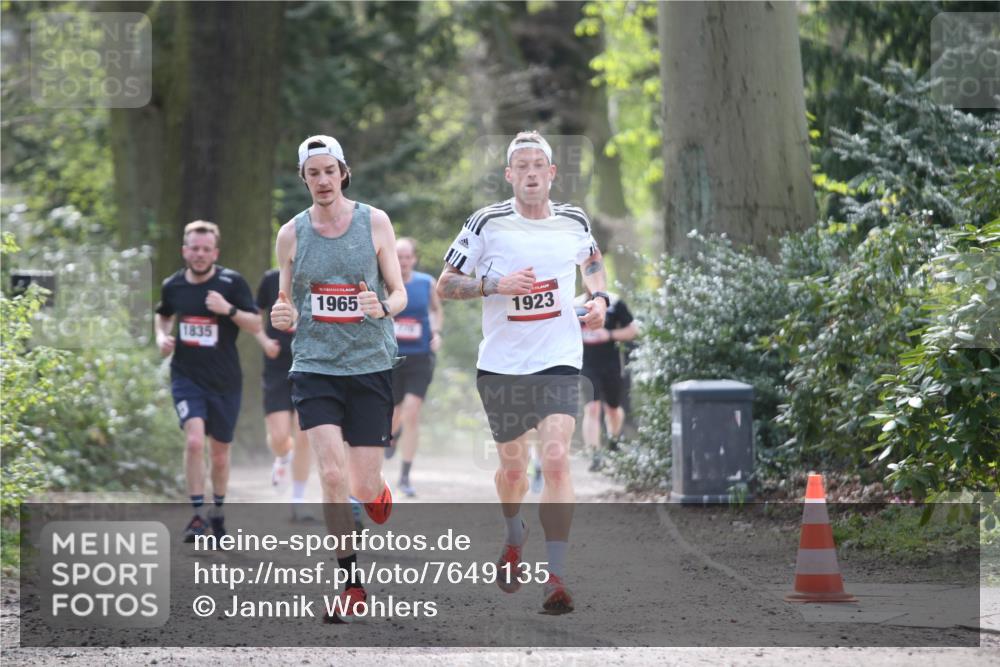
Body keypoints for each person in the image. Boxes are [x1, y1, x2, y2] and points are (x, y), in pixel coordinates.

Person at [436, 130, 610, 614]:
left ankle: (556, 577)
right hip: (501, 365)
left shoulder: (573, 219)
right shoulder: (487, 222)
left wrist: (599, 299)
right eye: (522, 166)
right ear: (509, 175)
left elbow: (592, 263)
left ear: (552, 174)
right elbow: (446, 285)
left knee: (555, 461)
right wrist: (495, 284)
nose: (531, 172)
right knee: (513, 469)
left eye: (540, 165)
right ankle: (515, 534)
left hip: (558, 358)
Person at [270, 134, 406, 623]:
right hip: (315, 366)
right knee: (331, 474)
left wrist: (383, 306)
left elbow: (399, 293)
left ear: (343, 172)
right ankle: (350, 583)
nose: (323, 181)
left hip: (369, 363)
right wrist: (282, 315)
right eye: (313, 173)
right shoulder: (291, 233)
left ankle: (378, 492)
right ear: (303, 179)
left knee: (363, 484)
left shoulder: (375, 222)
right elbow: (285, 304)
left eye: (330, 171)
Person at [155, 220, 261, 542]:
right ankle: (197, 515)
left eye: (206, 249)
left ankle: (217, 512)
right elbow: (163, 314)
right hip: (187, 376)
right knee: (195, 441)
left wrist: (227, 309)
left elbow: (256, 323)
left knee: (219, 453)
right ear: (184, 250)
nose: (199, 255)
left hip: (225, 381)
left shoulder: (231, 283)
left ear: (215, 252)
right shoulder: (173, 285)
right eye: (194, 248)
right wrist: (161, 336)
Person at [254, 269, 314, 520]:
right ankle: (282, 458)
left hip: (311, 363)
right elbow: (255, 316)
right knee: (279, 436)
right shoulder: (270, 279)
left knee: (304, 435)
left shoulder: (320, 276)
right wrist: (264, 341)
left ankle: (297, 501)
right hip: (277, 365)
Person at [386, 237, 443, 497]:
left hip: (420, 356)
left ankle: (405, 476)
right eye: (398, 256)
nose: (403, 261)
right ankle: (392, 433)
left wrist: (437, 332)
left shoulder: (426, 283)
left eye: (407, 256)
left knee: (411, 411)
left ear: (414, 259)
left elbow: (437, 310)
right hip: (390, 359)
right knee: (394, 414)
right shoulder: (384, 283)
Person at [576, 291, 638, 471]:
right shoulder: (574, 304)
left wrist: (609, 335)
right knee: (592, 408)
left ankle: (613, 441)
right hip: (585, 365)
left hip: (611, 365)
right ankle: (595, 455)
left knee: (613, 410)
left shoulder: (615, 302)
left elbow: (633, 331)